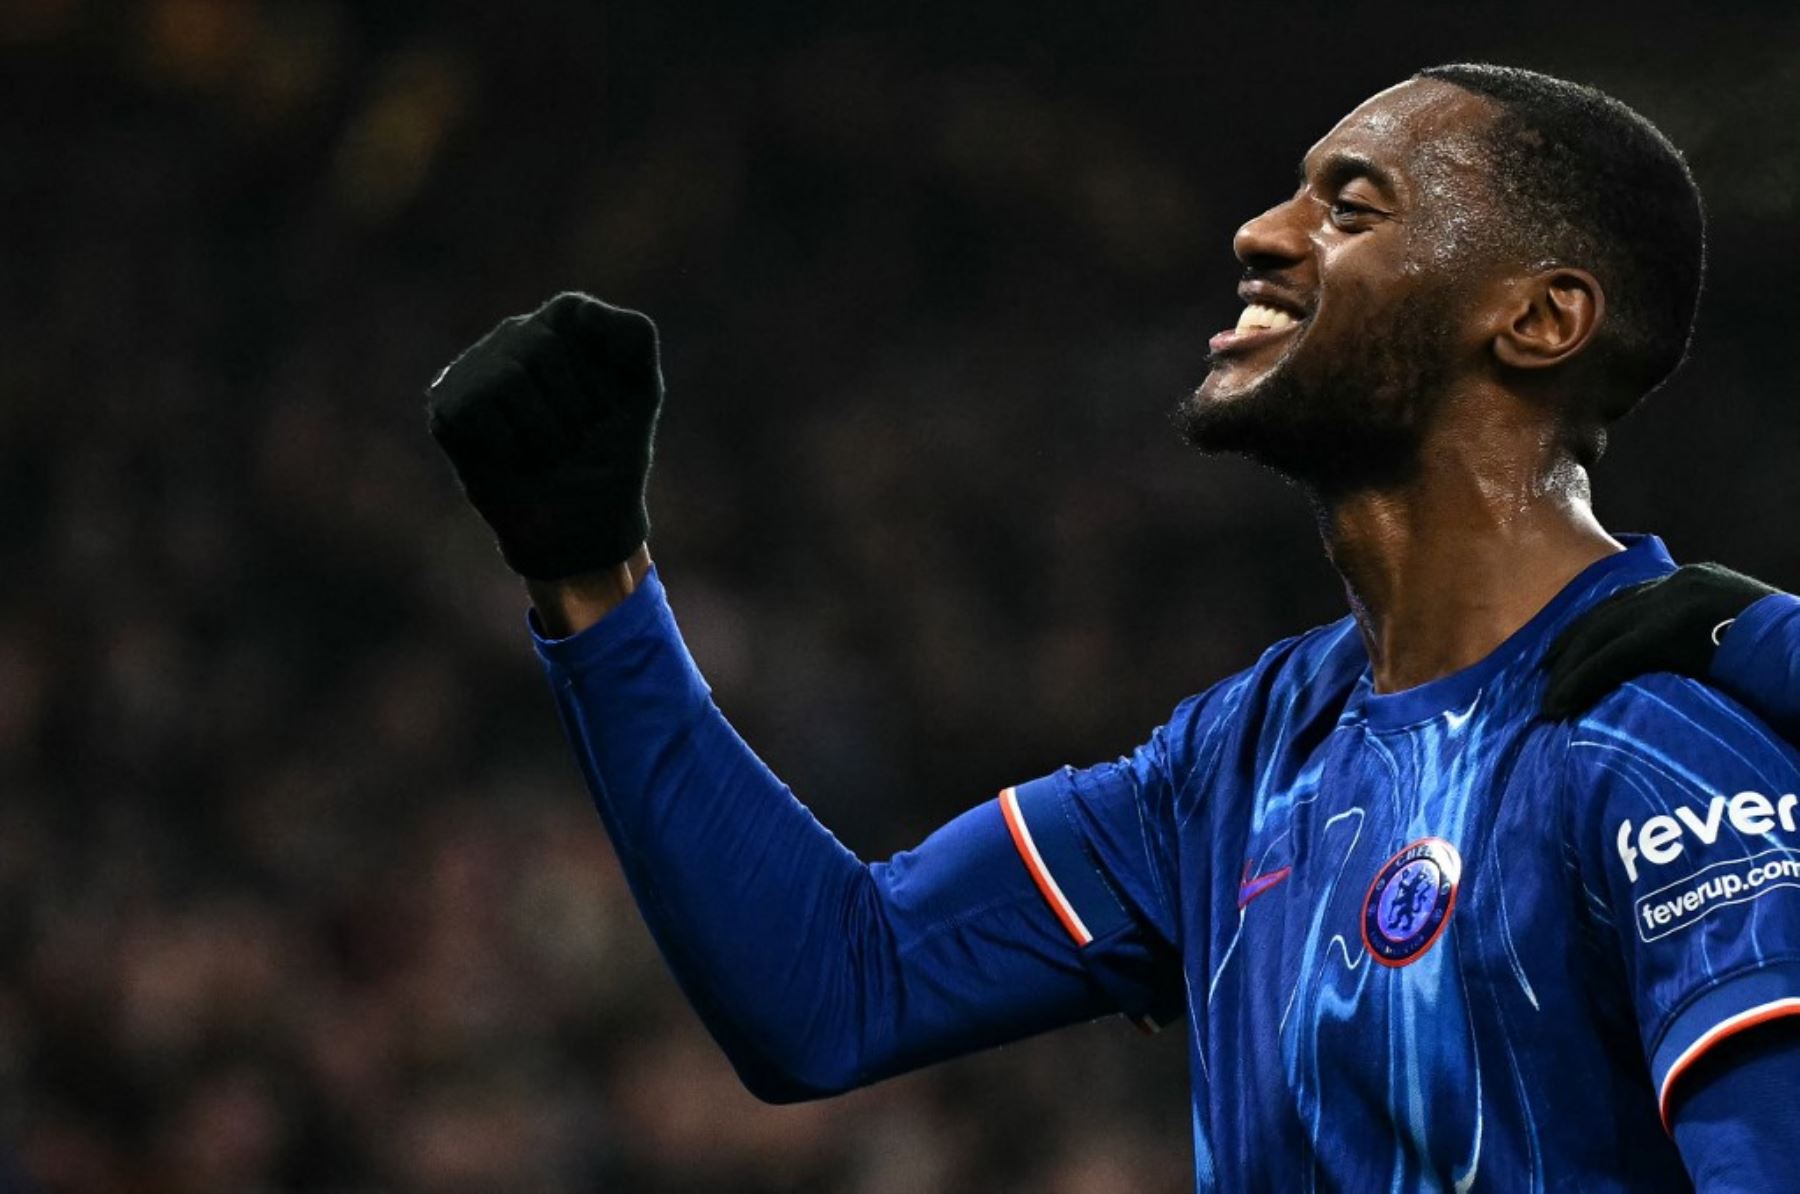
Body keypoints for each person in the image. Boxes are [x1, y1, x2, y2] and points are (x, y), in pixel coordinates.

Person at [425, 64, 1800, 1190]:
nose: (1264, 231)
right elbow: (833, 987)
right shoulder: (1240, 756)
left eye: (1352, 204)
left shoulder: (1669, 747)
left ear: (1540, 317)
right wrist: (594, 584)